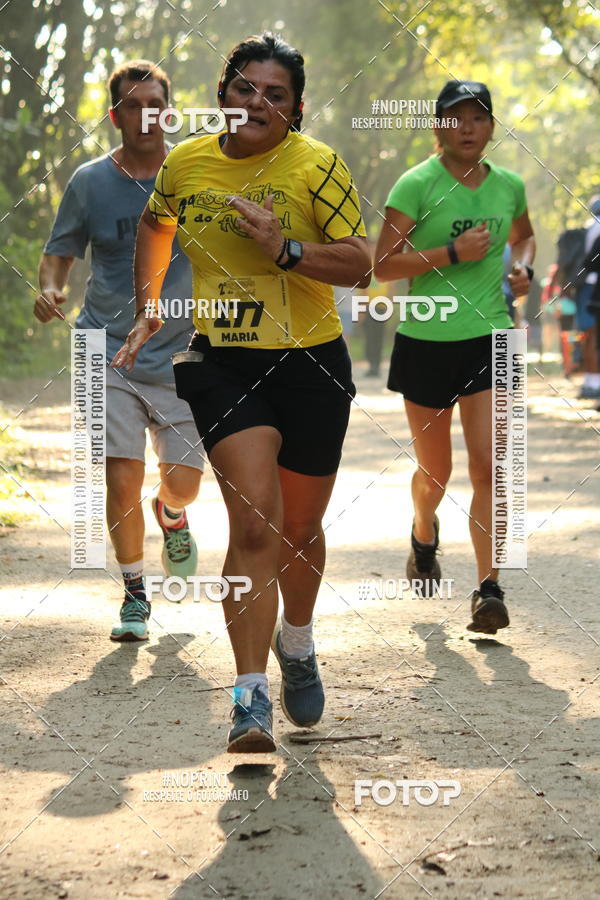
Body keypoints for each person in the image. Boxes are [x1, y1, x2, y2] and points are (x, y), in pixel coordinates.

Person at [112, 33, 370, 752]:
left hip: (312, 365)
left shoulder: (317, 167)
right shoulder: (187, 162)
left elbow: (361, 263)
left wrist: (286, 249)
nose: (258, 102)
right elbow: (156, 224)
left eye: (276, 94)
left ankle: (298, 638)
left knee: (299, 531)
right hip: (221, 360)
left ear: (294, 111)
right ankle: (249, 699)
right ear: (223, 94)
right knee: (256, 525)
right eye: (246, 88)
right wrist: (150, 304)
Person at [35, 60, 204, 642]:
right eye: (132, 105)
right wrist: (52, 286)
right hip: (108, 349)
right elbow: (60, 252)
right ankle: (135, 592)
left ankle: (173, 512)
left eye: (155, 104)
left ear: (170, 111)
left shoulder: (197, 171)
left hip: (186, 353)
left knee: (183, 479)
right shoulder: (89, 181)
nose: (145, 116)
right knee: (120, 475)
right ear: (115, 117)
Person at [374, 80, 535, 635]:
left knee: (490, 466)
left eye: (479, 117)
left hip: (491, 336)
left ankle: (489, 588)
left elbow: (525, 237)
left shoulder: (509, 185)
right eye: (456, 117)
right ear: (438, 126)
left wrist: (524, 271)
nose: (467, 127)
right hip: (426, 341)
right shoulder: (416, 184)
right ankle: (424, 532)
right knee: (435, 472)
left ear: (492, 127)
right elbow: (384, 265)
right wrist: (450, 252)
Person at [573, 196, 600, 398]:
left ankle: (591, 380)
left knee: (589, 333)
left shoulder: (589, 228)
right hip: (593, 288)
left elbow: (587, 262)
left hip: (589, 288)